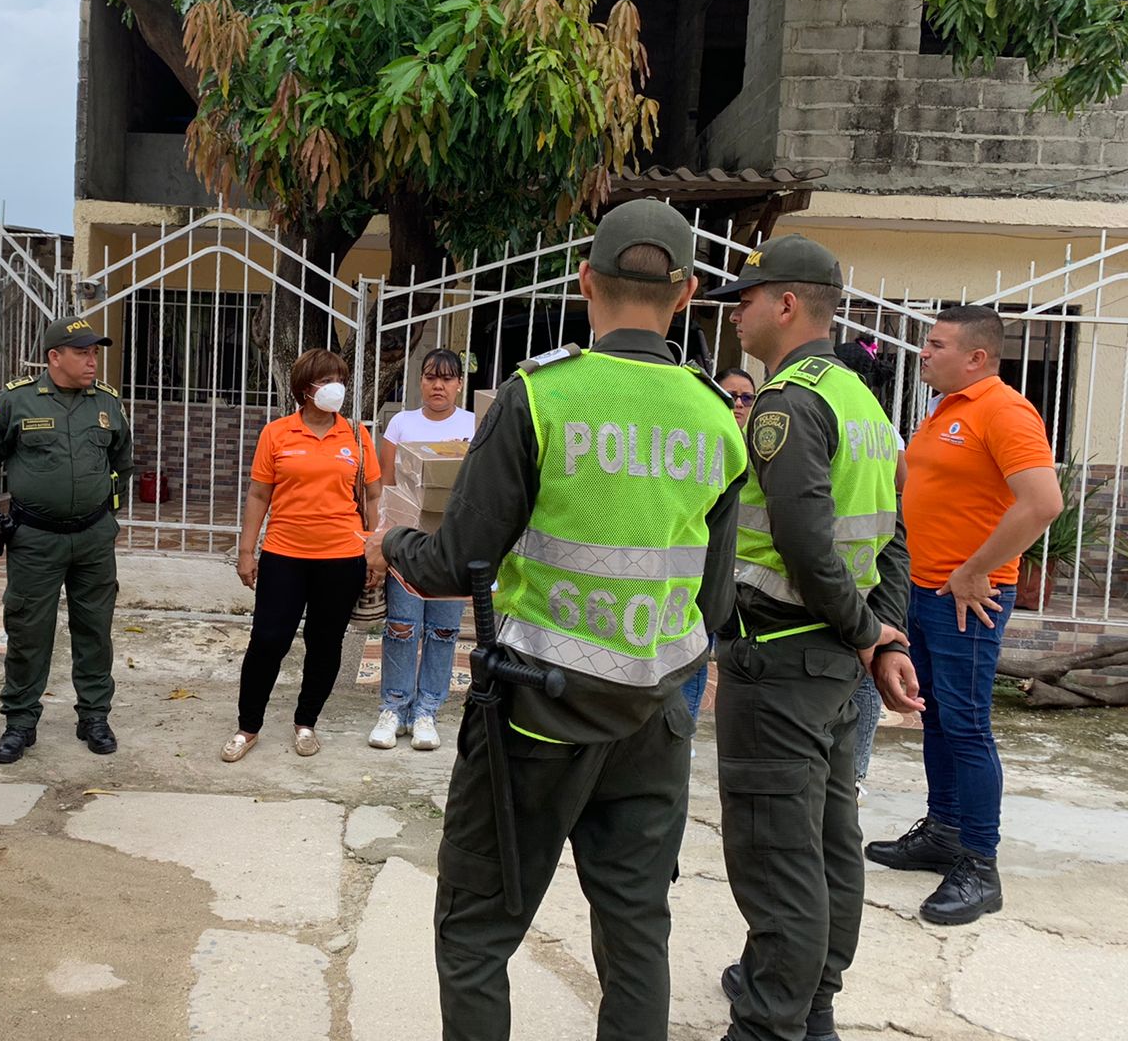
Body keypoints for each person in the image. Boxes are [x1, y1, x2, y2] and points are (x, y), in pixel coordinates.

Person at [369, 198, 747, 1041]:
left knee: (475, 935)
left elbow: (455, 563)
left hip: (534, 721)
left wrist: (386, 539)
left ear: (586, 282)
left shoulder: (538, 398)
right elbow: (714, 605)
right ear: (684, 296)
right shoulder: (718, 418)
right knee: (636, 931)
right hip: (653, 721)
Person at [703, 235, 923, 1041]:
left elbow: (802, 541)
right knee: (830, 842)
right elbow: (894, 534)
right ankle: (815, 1004)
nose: (736, 313)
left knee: (775, 859)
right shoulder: (862, 401)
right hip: (832, 661)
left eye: (746, 299)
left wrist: (874, 636)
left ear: (786, 305)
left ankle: (768, 1024)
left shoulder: (788, 404)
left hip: (784, 658)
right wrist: (881, 638)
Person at [866, 304, 1061, 925]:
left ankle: (979, 863)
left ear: (976, 356)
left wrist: (977, 570)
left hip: (967, 598)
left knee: (968, 725)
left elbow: (1042, 502)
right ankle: (945, 832)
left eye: (936, 344)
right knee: (940, 719)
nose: (923, 352)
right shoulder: (948, 409)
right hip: (926, 590)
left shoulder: (1004, 410)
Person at [0, 316, 134, 762]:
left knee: (95, 630)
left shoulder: (108, 404)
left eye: (95, 352)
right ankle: (20, 721)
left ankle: (94, 716)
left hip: (93, 539)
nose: (92, 360)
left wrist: (107, 515)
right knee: (28, 630)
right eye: (82, 352)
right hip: (36, 539)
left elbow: (124, 463)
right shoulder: (17, 401)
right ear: (54, 357)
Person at [224, 349, 381, 762]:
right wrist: (246, 551)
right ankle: (248, 727)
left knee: (325, 643)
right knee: (268, 641)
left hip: (342, 556)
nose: (336, 388)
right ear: (304, 388)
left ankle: (306, 721)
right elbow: (259, 494)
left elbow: (373, 495)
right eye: (326, 379)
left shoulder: (357, 436)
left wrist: (373, 549)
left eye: (340, 379)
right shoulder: (277, 434)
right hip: (284, 555)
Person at [369, 347, 475, 751]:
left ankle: (427, 710)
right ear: (420, 381)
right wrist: (382, 543)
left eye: (447, 378)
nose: (438, 385)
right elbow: (388, 489)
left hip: (453, 546)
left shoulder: (475, 425)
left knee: (444, 630)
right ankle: (393, 708)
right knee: (401, 627)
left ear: (459, 384)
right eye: (431, 377)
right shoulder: (401, 424)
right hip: (408, 546)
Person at [833, 339, 909, 798]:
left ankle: (851, 773)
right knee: (862, 672)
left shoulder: (826, 412)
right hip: (868, 574)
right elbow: (901, 495)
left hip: (836, 584)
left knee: (857, 670)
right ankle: (854, 775)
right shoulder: (882, 427)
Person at [682, 366, 758, 720]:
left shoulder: (764, 451)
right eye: (732, 396)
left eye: (747, 397)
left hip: (741, 578)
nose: (739, 404)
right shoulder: (700, 441)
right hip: (699, 574)